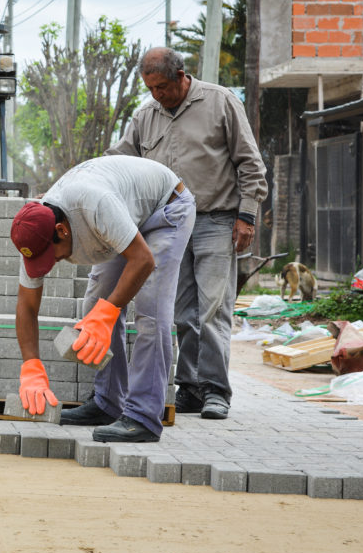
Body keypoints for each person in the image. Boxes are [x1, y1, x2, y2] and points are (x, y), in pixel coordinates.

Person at [106, 47, 267, 420]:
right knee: (181, 313)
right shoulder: (145, 116)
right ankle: (191, 388)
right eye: (150, 88)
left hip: (216, 220)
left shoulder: (220, 102)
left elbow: (250, 162)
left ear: (181, 76)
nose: (156, 95)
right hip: (169, 225)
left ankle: (216, 390)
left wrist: (247, 216)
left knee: (213, 309)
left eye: (162, 87)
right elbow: (120, 160)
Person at [13, 155, 195, 443]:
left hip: (165, 209)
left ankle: (143, 418)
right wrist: (31, 366)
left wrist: (108, 312)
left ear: (61, 230)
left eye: (51, 255)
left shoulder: (94, 205)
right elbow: (26, 305)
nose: (50, 263)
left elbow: (143, 260)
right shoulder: (35, 231)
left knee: (151, 312)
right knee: (94, 306)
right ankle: (107, 403)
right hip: (124, 213)